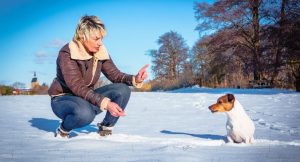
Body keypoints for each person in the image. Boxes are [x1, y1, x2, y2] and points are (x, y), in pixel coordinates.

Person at [48, 15, 148, 138]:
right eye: (96, 39)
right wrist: (106, 103)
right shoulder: (67, 53)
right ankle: (63, 130)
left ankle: (106, 127)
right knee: (85, 114)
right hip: (63, 99)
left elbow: (115, 75)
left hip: (86, 97)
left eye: (101, 39)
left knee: (123, 89)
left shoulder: (100, 51)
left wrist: (135, 79)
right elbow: (77, 86)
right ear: (83, 36)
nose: (100, 43)